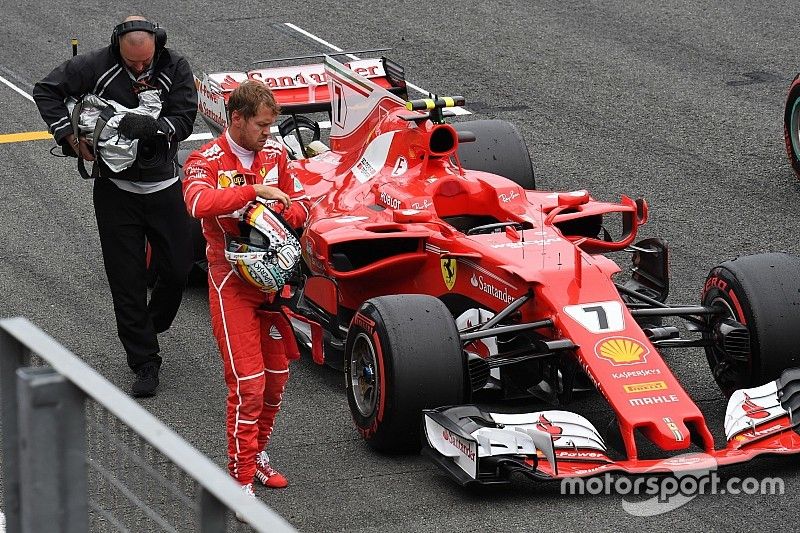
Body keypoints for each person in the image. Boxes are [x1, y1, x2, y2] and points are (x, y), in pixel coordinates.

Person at [32, 16, 198, 397]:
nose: (140, 68)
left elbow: (185, 119)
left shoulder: (176, 66)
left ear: (158, 43)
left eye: (145, 62)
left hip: (165, 188)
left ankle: (150, 322)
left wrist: (156, 129)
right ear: (116, 46)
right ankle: (144, 362)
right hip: (115, 192)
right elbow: (45, 90)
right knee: (126, 281)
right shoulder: (92, 65)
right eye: (132, 62)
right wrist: (70, 135)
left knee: (178, 269)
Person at [182, 80, 311, 496]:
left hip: (274, 282)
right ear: (236, 119)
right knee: (248, 384)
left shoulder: (276, 154)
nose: (267, 134)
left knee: (275, 381)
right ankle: (239, 484)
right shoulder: (206, 159)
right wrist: (253, 191)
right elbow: (197, 204)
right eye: (261, 125)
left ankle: (257, 457)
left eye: (271, 126)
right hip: (230, 280)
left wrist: (286, 211)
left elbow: (302, 203)